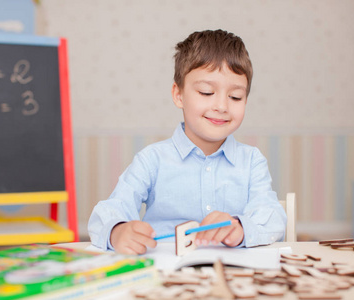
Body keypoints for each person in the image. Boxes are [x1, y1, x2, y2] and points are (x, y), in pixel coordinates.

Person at [88, 29, 287, 254]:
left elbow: (273, 217)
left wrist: (240, 227)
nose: (222, 106)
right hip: (165, 273)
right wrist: (118, 231)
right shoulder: (152, 160)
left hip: (233, 274)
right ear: (178, 95)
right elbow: (109, 211)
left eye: (235, 97)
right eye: (205, 92)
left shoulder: (252, 161)